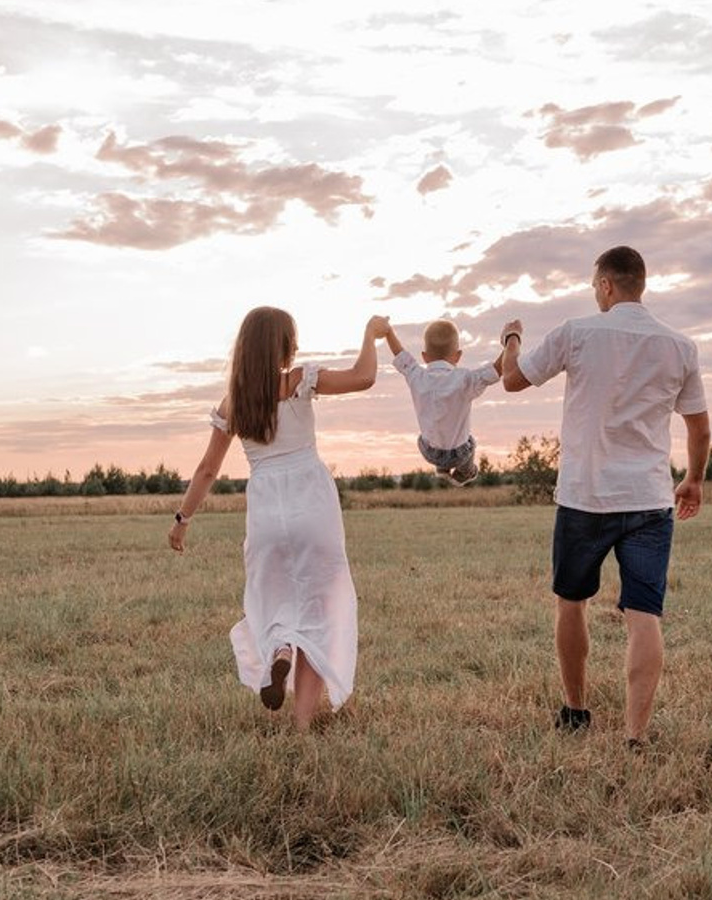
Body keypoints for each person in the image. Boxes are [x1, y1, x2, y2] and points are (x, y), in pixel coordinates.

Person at [501, 246, 710, 747]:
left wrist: (511, 338)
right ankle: (635, 736)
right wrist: (694, 480)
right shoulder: (680, 346)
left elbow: (511, 380)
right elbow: (699, 428)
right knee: (644, 615)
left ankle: (576, 711)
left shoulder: (576, 333)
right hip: (648, 499)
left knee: (570, 603)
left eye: (596, 285)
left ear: (607, 286)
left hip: (585, 498)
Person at [169, 307, 392, 731]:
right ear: (284, 345)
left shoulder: (233, 403)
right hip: (313, 503)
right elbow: (364, 376)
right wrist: (370, 333)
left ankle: (281, 650)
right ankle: (303, 725)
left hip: (268, 509)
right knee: (321, 609)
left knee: (275, 603)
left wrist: (183, 518)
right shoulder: (300, 381)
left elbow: (207, 470)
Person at [384, 319, 503, 485]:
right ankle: (465, 472)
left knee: (428, 435)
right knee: (471, 442)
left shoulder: (416, 376)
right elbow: (496, 369)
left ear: (424, 357)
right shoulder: (464, 379)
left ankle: (442, 469)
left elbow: (399, 354)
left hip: (430, 452)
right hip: (458, 454)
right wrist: (511, 341)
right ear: (458, 356)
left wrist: (388, 332)